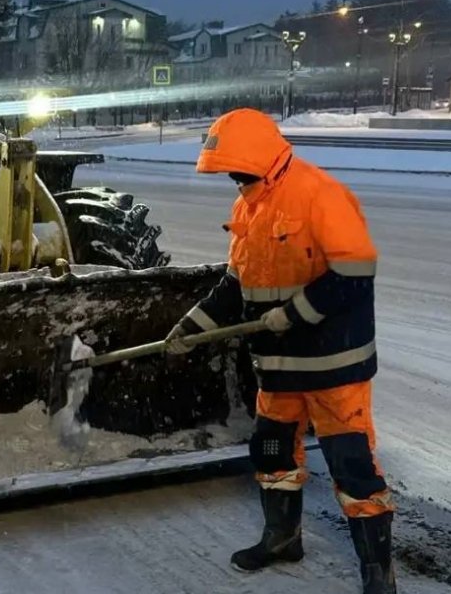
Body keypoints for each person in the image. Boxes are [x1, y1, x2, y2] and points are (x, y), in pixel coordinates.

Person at [165, 108, 396, 594]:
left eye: (237, 169)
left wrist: (293, 313)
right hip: (277, 368)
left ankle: (378, 570)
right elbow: (236, 284)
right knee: (271, 453)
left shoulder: (320, 195)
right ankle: (282, 537)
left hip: (335, 367)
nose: (232, 178)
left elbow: (355, 275)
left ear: (260, 159)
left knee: (352, 465)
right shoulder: (248, 205)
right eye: (227, 171)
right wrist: (191, 325)